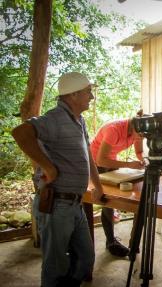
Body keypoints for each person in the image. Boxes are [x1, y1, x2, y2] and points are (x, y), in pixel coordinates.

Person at [12, 72, 105, 287]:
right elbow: (20, 133)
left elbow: (88, 156)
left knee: (85, 259)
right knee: (55, 266)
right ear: (72, 95)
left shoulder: (78, 120)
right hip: (58, 205)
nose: (91, 97)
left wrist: (97, 186)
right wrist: (47, 167)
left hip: (75, 203)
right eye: (87, 92)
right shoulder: (55, 118)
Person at [90, 112, 145, 257]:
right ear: (134, 126)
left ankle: (134, 243)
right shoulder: (113, 129)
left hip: (110, 161)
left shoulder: (138, 130)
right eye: (141, 135)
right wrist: (129, 165)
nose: (141, 138)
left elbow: (139, 151)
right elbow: (101, 160)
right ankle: (110, 242)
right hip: (95, 164)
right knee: (107, 201)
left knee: (136, 195)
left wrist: (143, 160)